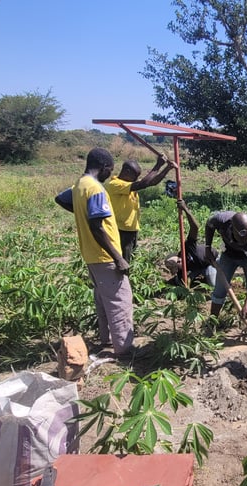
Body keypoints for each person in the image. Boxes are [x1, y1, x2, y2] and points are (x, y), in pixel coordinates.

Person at [54, 148, 134, 356]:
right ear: (104, 167)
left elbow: (60, 199)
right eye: (111, 170)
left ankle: (107, 340)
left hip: (91, 255)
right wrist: (118, 258)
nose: (111, 175)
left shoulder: (79, 185)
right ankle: (124, 349)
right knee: (120, 301)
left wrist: (82, 213)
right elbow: (97, 227)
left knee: (103, 300)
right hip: (105, 256)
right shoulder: (96, 189)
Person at [205, 210, 247, 366]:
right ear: (232, 228)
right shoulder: (221, 220)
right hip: (228, 255)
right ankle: (211, 326)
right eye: (242, 238)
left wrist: (246, 303)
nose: (245, 240)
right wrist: (207, 246)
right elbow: (209, 225)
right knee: (219, 290)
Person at [105, 155, 177, 263]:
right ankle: (122, 279)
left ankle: (126, 278)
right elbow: (143, 184)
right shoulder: (115, 184)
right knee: (123, 261)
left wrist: (167, 168)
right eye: (135, 176)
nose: (136, 179)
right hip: (122, 230)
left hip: (131, 229)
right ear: (127, 171)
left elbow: (151, 182)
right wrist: (158, 165)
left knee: (130, 257)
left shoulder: (128, 184)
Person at [164, 199, 218, 287]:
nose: (179, 263)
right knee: (181, 283)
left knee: (213, 284)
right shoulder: (181, 270)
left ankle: (208, 276)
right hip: (196, 268)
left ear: (179, 257)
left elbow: (195, 227)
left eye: (178, 261)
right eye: (176, 267)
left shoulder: (188, 248)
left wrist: (185, 209)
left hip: (211, 262)